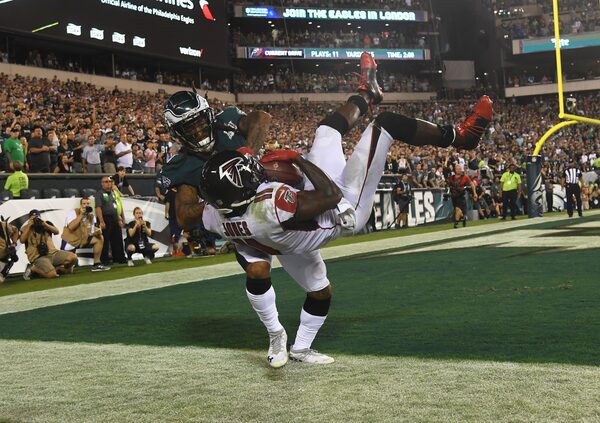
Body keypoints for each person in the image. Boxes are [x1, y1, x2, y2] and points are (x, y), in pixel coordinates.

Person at [192, 52, 493, 368]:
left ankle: (367, 93)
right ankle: (462, 137)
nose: (253, 174)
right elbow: (331, 194)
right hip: (342, 209)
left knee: (327, 132)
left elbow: (208, 213)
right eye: (247, 177)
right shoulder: (271, 207)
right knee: (386, 125)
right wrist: (297, 159)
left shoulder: (216, 215)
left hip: (289, 242)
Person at [155, 88, 273, 234]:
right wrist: (216, 199)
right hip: (241, 224)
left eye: (200, 122)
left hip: (268, 195)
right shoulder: (183, 165)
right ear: (177, 134)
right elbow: (183, 218)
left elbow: (262, 118)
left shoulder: (226, 121)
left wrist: (247, 156)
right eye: (189, 128)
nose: (198, 131)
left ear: (209, 116)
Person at [20, 209, 78, 279]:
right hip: (38, 257)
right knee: (52, 275)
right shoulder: (25, 228)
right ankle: (33, 268)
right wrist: (29, 226)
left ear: (40, 217)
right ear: (29, 219)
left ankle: (58, 268)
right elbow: (22, 240)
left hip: (53, 253)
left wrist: (45, 224)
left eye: (37, 218)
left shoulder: (46, 223)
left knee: (73, 257)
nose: (35, 220)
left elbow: (56, 231)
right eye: (33, 218)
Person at [61, 197, 110, 272]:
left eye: (88, 204)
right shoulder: (73, 213)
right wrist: (81, 215)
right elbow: (71, 227)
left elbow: (91, 232)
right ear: (80, 205)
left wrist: (98, 232)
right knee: (66, 268)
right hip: (70, 241)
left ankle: (97, 263)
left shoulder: (91, 216)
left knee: (100, 238)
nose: (86, 205)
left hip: (83, 240)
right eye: (84, 204)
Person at [95, 176, 126, 265]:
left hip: (115, 218)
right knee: (105, 240)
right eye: (106, 182)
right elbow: (98, 207)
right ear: (102, 184)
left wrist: (120, 218)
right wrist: (101, 221)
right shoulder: (99, 193)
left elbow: (116, 206)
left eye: (110, 181)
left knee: (117, 239)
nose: (108, 183)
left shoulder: (113, 193)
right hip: (105, 218)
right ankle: (105, 260)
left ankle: (119, 258)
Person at [447, 164, 477, 228]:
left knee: (458, 209)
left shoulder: (465, 177)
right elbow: (448, 186)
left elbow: (472, 184)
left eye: (460, 169)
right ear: (455, 170)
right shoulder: (451, 178)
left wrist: (474, 193)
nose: (459, 170)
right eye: (457, 169)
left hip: (461, 195)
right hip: (454, 196)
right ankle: (464, 217)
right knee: (457, 209)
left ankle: (456, 223)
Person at [0, 217, 19, 283]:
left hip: (3, 258)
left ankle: (5, 270)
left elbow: (15, 230)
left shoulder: (4, 225)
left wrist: (14, 243)